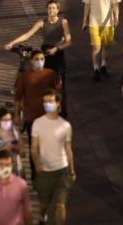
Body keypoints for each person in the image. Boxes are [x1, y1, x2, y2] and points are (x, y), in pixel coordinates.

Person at [13, 51, 62, 175]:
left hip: (48, 116)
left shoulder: (50, 74)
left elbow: (57, 94)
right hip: (31, 117)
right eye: (37, 59)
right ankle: (36, 175)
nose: (39, 61)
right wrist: (17, 115)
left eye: (42, 58)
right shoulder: (24, 76)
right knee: (34, 147)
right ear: (31, 61)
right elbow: (18, 97)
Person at [5, 0, 71, 90]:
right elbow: (27, 35)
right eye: (49, 8)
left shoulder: (63, 22)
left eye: (54, 8)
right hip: (46, 50)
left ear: (57, 10)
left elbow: (69, 42)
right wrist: (12, 43)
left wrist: (57, 48)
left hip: (57, 50)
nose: (51, 10)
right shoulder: (42, 23)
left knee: (57, 77)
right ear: (47, 10)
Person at [31, 90, 75, 225]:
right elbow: (33, 147)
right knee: (44, 203)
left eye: (50, 101)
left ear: (58, 104)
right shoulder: (37, 123)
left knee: (61, 204)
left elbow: (68, 148)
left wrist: (72, 170)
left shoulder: (66, 126)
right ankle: (42, 216)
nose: (47, 104)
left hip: (62, 169)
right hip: (45, 170)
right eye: (45, 101)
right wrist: (37, 162)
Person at [82, 0, 121, 81]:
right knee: (96, 47)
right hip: (94, 22)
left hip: (108, 23)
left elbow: (115, 4)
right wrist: (84, 20)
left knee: (106, 46)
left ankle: (103, 65)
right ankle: (96, 69)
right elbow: (87, 5)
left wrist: (116, 18)